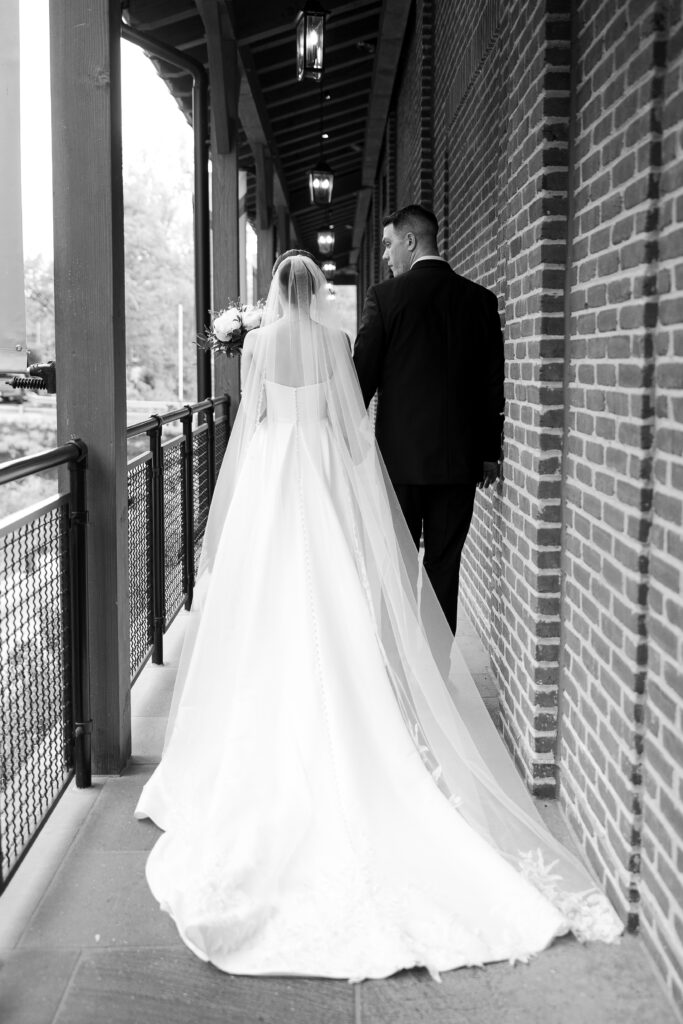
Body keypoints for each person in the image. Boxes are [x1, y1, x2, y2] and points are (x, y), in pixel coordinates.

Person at [135, 252, 621, 981]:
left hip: (273, 474)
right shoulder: (332, 342)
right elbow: (346, 417)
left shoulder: (259, 344)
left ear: (272, 293)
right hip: (322, 470)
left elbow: (252, 421)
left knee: (264, 592)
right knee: (332, 587)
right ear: (318, 292)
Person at [353, 205, 504, 632]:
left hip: (399, 464)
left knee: (395, 568)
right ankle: (437, 678)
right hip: (460, 464)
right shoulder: (480, 301)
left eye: (388, 245)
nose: (385, 256)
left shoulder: (386, 298)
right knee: (444, 567)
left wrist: (343, 436)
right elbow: (494, 384)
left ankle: (398, 675)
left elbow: (359, 381)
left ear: (411, 241)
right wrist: (489, 453)